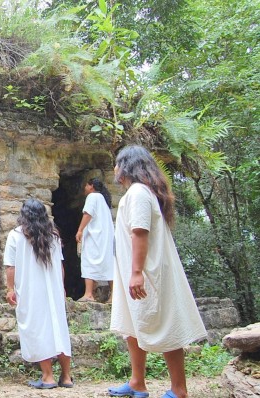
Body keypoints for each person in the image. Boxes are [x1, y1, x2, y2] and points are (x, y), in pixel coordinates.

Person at [109, 146, 207, 398]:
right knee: (131, 324)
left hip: (146, 272)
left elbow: (139, 232)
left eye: (117, 163)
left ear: (128, 166)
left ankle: (179, 389)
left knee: (165, 324)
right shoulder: (137, 193)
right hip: (133, 271)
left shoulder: (139, 192)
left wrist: (137, 272)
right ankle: (137, 383)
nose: (114, 169)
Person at [5, 199, 73, 390]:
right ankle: (66, 377)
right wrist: (61, 287)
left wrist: (10, 289)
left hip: (30, 290)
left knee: (37, 328)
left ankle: (48, 376)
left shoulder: (16, 235)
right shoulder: (54, 236)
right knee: (59, 328)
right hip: (53, 289)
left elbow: (11, 266)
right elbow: (60, 266)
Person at [75, 177, 114, 302]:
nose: (85, 188)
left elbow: (88, 214)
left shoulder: (92, 197)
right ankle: (114, 295)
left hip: (94, 237)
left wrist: (80, 230)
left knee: (88, 261)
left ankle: (89, 294)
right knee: (109, 264)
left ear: (91, 186)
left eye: (86, 185)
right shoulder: (103, 200)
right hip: (105, 237)